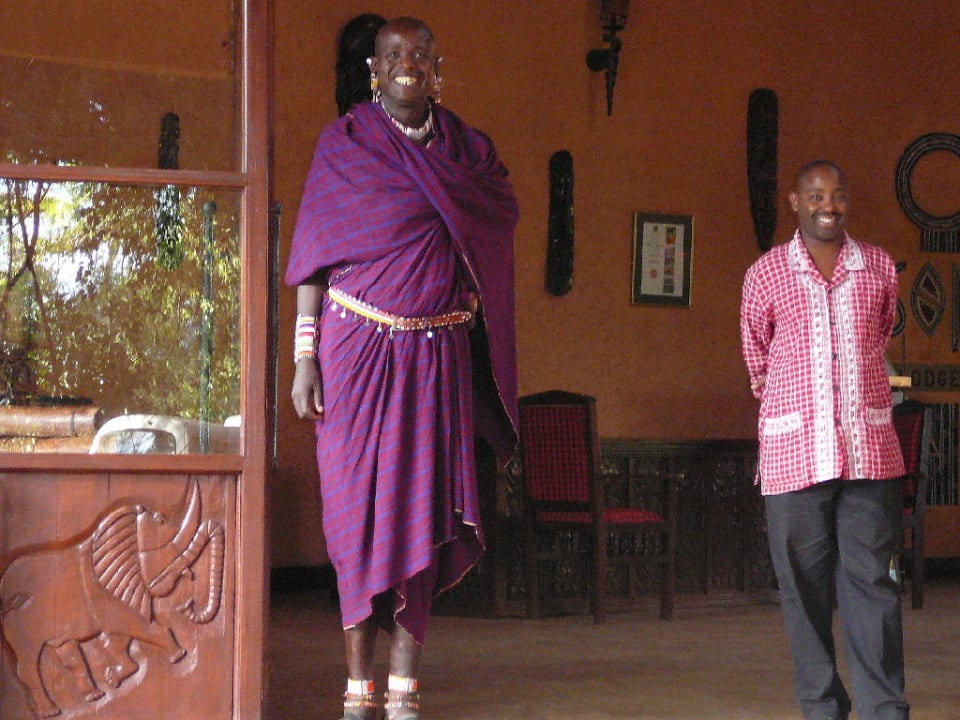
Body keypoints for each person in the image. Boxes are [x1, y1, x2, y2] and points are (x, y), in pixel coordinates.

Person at [285, 16, 519, 720]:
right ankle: (357, 687)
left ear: (437, 67)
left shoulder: (470, 152)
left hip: (435, 360)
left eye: (419, 54)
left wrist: (469, 296)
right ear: (373, 72)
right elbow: (312, 260)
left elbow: (496, 223)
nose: (406, 65)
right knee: (354, 519)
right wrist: (304, 357)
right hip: (353, 356)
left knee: (422, 516)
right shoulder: (344, 144)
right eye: (392, 56)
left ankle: (404, 690)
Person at [740, 160, 909, 720]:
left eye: (836, 196)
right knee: (804, 596)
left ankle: (885, 709)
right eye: (815, 196)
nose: (827, 206)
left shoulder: (879, 268)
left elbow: (879, 334)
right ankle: (822, 709)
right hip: (794, 458)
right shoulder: (765, 274)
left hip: (869, 455)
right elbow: (757, 359)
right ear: (795, 201)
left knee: (874, 589)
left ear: (847, 201)